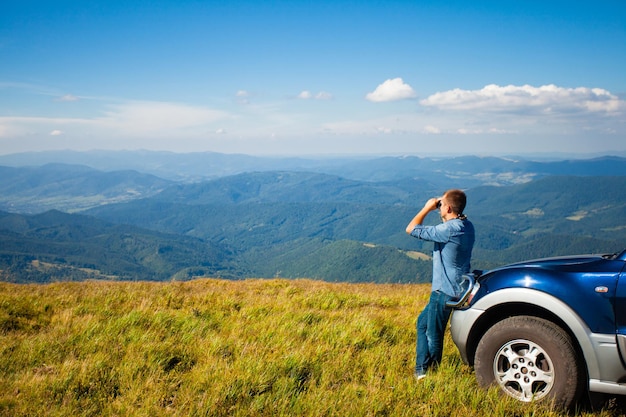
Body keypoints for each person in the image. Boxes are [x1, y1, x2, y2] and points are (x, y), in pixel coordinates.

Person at [405, 189, 475, 380]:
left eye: (442, 205)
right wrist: (444, 208)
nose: (439, 207)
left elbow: (411, 229)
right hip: (457, 287)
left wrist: (427, 208)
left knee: (434, 333)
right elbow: (450, 222)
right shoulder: (466, 226)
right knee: (422, 324)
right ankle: (423, 368)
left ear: (449, 207)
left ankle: (426, 372)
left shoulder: (448, 231)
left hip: (443, 290)